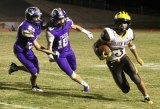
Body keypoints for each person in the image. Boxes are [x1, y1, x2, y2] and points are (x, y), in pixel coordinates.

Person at [93, 11, 153, 104]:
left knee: (136, 78)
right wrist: (100, 56)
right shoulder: (109, 33)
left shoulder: (130, 33)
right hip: (113, 62)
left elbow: (130, 44)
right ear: (116, 23)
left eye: (126, 22)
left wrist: (137, 57)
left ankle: (146, 96)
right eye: (122, 22)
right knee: (125, 89)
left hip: (124, 58)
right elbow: (95, 45)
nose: (124, 25)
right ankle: (122, 82)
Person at [8, 7, 59, 92]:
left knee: (36, 70)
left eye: (38, 16)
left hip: (28, 50)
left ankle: (15, 67)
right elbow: (38, 47)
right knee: (34, 73)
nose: (38, 18)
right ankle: (34, 87)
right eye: (36, 17)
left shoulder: (37, 22)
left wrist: (47, 25)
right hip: (20, 51)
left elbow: (41, 28)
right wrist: (51, 52)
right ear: (30, 17)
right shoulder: (26, 27)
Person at [45, 8, 93, 92]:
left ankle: (80, 81)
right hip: (60, 55)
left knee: (74, 67)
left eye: (62, 18)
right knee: (71, 73)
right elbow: (49, 46)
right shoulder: (51, 31)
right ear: (54, 20)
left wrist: (87, 32)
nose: (62, 21)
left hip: (69, 50)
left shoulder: (67, 22)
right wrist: (50, 56)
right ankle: (86, 86)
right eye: (59, 19)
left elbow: (75, 27)